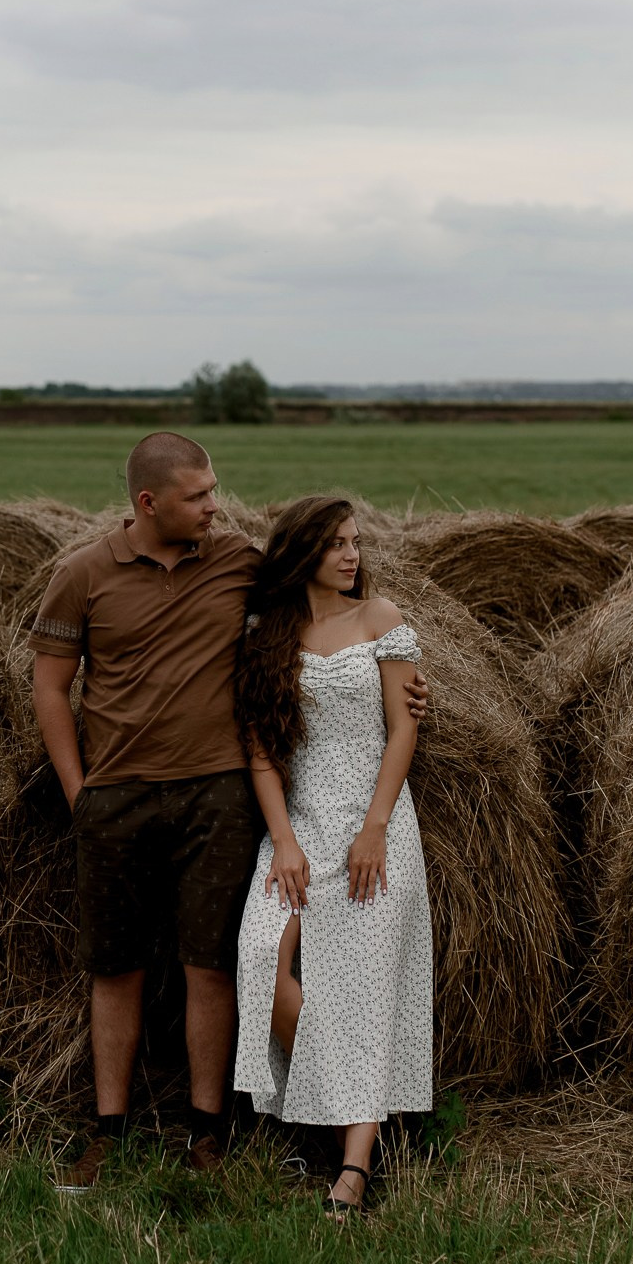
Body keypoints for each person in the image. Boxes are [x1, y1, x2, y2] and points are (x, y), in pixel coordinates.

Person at [30, 435, 427, 1191]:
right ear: (149, 503)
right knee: (115, 967)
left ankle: (209, 1132)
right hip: (118, 794)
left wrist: (406, 691)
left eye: (215, 491)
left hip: (217, 794)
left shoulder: (239, 563)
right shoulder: (81, 575)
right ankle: (108, 1132)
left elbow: (337, 625)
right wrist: (80, 792)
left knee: (210, 966)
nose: (217, 505)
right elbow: (51, 688)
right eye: (200, 495)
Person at [232, 496, 432, 1216]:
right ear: (301, 555)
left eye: (354, 542)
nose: (351, 555)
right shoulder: (264, 634)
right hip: (299, 821)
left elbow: (403, 731)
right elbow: (260, 749)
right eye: (334, 545)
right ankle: (340, 1098)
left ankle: (354, 1164)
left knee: (362, 982)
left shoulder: (382, 619)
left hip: (374, 823)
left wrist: (374, 827)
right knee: (262, 955)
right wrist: (282, 838)